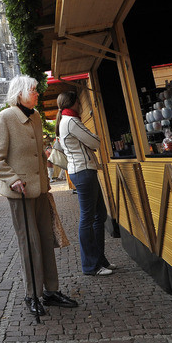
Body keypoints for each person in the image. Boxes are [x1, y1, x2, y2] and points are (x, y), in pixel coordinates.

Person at [0, 75, 78, 316]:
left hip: (40, 190)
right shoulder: (5, 118)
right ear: (19, 94)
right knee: (29, 242)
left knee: (46, 239)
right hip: (20, 192)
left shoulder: (36, 116)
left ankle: (51, 291)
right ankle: (32, 294)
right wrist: (12, 178)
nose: (37, 93)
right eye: (33, 90)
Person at [56, 90, 117, 277]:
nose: (80, 105)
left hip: (82, 170)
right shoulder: (71, 121)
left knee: (98, 215)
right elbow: (95, 142)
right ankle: (91, 265)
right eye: (78, 102)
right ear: (74, 102)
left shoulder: (66, 120)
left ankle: (99, 260)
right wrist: (92, 139)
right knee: (89, 218)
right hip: (83, 171)